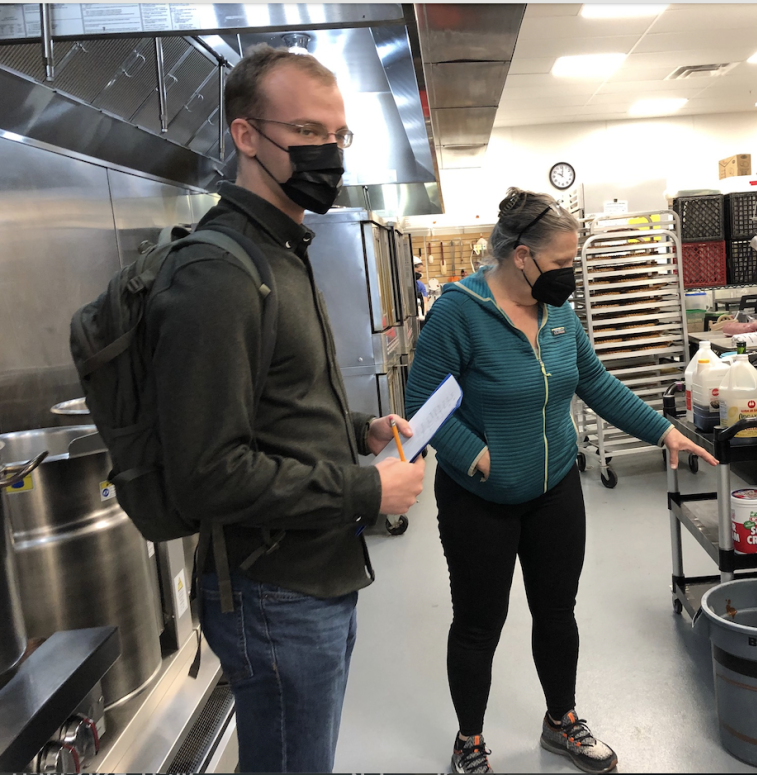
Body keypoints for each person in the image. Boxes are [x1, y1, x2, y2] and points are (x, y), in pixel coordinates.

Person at [146, 44, 426, 773]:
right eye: (306, 133)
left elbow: (276, 403)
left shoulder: (282, 249)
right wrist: (367, 487)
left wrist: (357, 429)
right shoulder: (217, 271)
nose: (328, 153)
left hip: (315, 576)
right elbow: (206, 474)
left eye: (338, 136)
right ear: (245, 135)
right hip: (274, 594)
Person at [405, 188, 718, 774]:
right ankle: (468, 741)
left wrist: (663, 431)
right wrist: (478, 458)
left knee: (557, 611)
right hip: (480, 501)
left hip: (554, 493)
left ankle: (561, 722)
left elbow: (594, 383)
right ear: (521, 255)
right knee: (478, 623)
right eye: (561, 264)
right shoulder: (458, 312)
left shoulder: (561, 316)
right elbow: (421, 404)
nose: (568, 276)